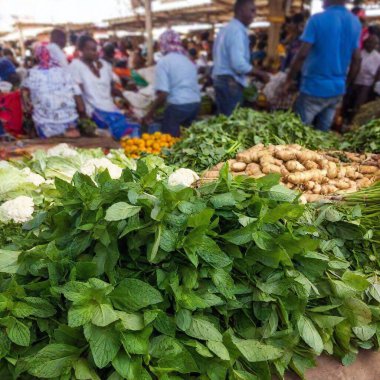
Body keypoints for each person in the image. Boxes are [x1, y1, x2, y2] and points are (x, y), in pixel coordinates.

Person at [284, 0, 362, 131]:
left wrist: (288, 79)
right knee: (323, 133)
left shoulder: (317, 20)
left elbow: (302, 55)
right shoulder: (355, 22)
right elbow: (357, 59)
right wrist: (346, 83)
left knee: (299, 132)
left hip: (313, 87)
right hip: (337, 89)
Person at [212, 0, 269, 116]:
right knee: (230, 124)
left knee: (223, 121)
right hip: (230, 83)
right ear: (240, 10)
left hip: (222, 81)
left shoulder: (226, 29)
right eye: (252, 11)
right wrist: (260, 73)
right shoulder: (237, 31)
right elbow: (238, 64)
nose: (254, 15)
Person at [69, 35, 132, 140]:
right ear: (81, 50)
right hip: (95, 113)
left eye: (96, 49)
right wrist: (84, 117)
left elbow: (111, 88)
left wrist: (128, 99)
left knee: (129, 138)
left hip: (111, 109)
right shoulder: (75, 66)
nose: (95, 52)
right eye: (91, 49)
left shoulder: (105, 65)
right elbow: (77, 94)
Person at [143, 30, 201, 137]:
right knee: (187, 138)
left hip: (178, 105)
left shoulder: (164, 62)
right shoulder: (187, 60)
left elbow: (163, 93)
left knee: (170, 140)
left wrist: (150, 112)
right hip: (195, 104)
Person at [21, 43, 84, 138]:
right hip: (70, 122)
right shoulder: (65, 73)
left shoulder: (31, 74)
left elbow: (25, 103)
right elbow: (80, 106)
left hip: (45, 125)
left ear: (37, 57)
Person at [344, 34, 380, 121]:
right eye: (368, 42)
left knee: (359, 103)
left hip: (367, 83)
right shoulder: (359, 53)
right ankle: (345, 117)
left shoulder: (377, 57)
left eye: (373, 43)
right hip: (355, 80)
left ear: (376, 45)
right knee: (348, 101)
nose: (370, 45)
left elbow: (377, 74)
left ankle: (353, 120)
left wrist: (373, 84)